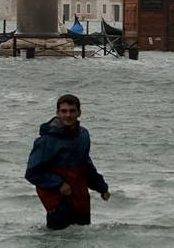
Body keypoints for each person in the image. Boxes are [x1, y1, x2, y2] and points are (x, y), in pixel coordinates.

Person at [25, 94, 110, 230]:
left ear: (79, 113)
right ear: (57, 113)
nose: (68, 115)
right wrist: (59, 184)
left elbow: (85, 165)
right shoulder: (46, 141)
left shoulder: (83, 135)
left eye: (72, 111)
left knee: (82, 241)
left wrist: (101, 187)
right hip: (58, 202)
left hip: (81, 200)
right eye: (64, 111)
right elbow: (32, 172)